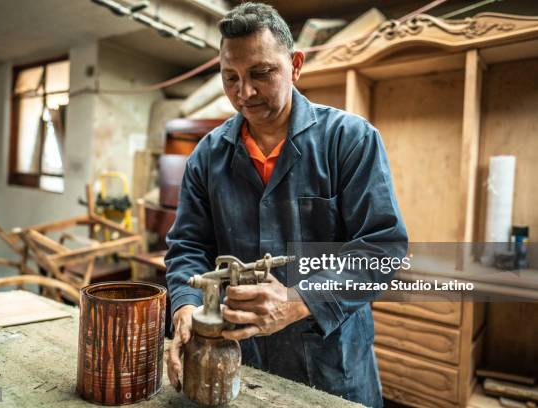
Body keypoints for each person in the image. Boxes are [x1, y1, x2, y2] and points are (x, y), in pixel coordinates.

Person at [164, 3, 408, 407]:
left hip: (333, 370)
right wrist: (186, 306)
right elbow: (188, 247)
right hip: (242, 362)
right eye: (231, 78)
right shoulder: (207, 156)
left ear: (295, 65)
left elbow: (383, 248)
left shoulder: (350, 139)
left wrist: (298, 301)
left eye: (260, 73)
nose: (244, 92)